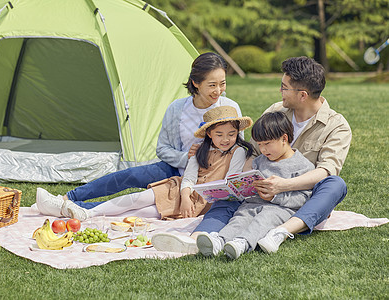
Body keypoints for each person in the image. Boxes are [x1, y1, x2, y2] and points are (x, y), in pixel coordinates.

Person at [152, 56, 352, 254]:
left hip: (299, 194)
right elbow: (253, 152)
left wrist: (282, 186)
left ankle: (282, 231)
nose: (279, 91)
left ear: (302, 95)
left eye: (284, 87)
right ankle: (195, 240)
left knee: (335, 184)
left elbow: (325, 171)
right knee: (232, 198)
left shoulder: (337, 126)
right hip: (260, 189)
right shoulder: (276, 111)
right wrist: (243, 180)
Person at [35, 52, 244, 220]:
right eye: (212, 85)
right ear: (195, 83)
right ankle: (68, 197)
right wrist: (187, 158)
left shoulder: (230, 107)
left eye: (222, 84)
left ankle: (71, 208)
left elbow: (238, 147)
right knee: (130, 175)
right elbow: (162, 149)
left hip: (205, 178)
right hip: (176, 166)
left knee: (141, 202)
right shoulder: (178, 109)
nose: (219, 91)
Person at [58, 106, 253, 223]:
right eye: (219, 134)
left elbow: (230, 181)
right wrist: (185, 195)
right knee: (138, 199)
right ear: (209, 133)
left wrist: (190, 201)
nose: (226, 139)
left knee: (144, 213)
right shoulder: (199, 150)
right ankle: (88, 212)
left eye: (231, 134)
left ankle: (90, 213)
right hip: (179, 189)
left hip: (203, 201)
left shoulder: (237, 152)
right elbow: (189, 177)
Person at [195, 111, 314, 259]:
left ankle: (242, 243)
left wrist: (275, 196)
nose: (263, 150)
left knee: (263, 220)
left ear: (284, 138)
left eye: (267, 144)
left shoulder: (303, 166)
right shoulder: (259, 161)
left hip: (279, 209)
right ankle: (220, 240)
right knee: (239, 219)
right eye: (259, 145)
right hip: (251, 204)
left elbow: (303, 199)